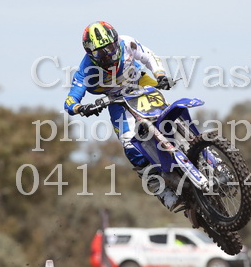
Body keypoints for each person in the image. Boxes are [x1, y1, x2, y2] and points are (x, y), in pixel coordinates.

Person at [63, 21, 178, 210]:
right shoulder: (86, 69)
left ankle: (204, 152)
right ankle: (162, 190)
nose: (108, 54)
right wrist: (81, 108)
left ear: (116, 41)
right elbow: (70, 101)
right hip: (116, 100)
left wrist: (160, 75)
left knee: (170, 113)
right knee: (129, 143)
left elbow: (149, 56)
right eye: (101, 53)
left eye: (110, 47)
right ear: (90, 54)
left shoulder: (127, 43)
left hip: (140, 83)